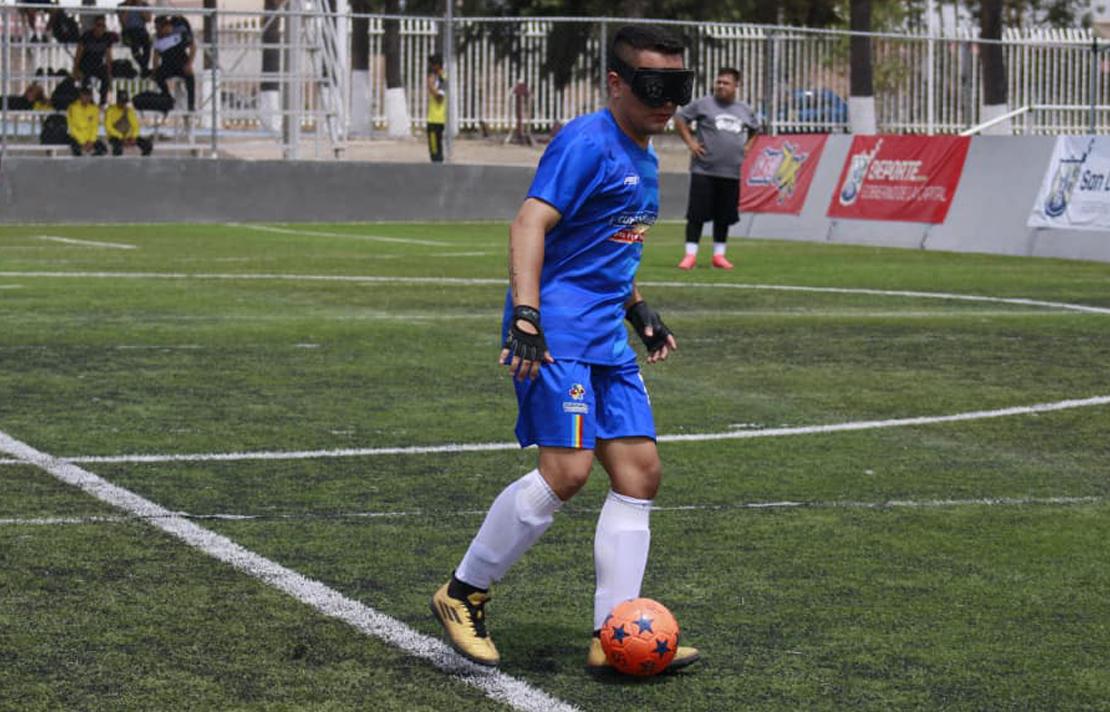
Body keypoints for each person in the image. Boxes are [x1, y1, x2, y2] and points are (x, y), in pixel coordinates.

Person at [429, 24, 701, 673]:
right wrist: (526, 315)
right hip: (556, 336)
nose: (666, 100)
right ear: (616, 81)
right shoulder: (587, 142)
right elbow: (531, 222)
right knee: (568, 472)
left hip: (605, 335)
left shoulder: (643, 152)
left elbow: (606, 244)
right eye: (652, 85)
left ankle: (614, 636)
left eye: (677, 87)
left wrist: (638, 310)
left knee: (639, 474)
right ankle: (463, 593)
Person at [674, 67, 762, 271]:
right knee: (696, 214)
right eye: (719, 82)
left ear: (736, 86)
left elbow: (756, 129)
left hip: (730, 172)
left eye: (726, 83)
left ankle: (719, 255)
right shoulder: (704, 104)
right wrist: (691, 143)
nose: (721, 86)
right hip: (704, 170)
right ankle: (690, 255)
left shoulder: (744, 110)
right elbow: (680, 119)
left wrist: (748, 146)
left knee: (724, 216)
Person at [152, 14, 196, 112]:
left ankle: (191, 105)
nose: (157, 31)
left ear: (166, 27)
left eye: (159, 29)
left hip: (181, 63)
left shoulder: (179, 32)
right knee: (158, 75)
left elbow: (193, 47)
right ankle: (168, 98)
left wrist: (189, 63)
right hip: (167, 64)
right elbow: (156, 56)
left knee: (190, 76)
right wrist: (154, 70)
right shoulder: (157, 39)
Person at [73, 15, 116, 106]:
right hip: (85, 64)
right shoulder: (86, 36)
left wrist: (110, 75)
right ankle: (88, 102)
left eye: (103, 26)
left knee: (105, 76)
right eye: (99, 25)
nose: (101, 28)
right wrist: (75, 70)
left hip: (98, 65)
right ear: (94, 26)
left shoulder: (106, 37)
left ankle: (102, 102)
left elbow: (108, 57)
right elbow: (78, 54)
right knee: (86, 81)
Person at [105, 90, 152, 156]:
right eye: (122, 102)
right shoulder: (110, 110)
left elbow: (136, 126)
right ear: (117, 101)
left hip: (129, 136)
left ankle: (143, 162)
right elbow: (108, 127)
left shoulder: (129, 111)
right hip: (115, 136)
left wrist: (133, 137)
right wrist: (121, 137)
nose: (123, 104)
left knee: (147, 145)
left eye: (125, 102)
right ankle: (116, 164)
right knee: (117, 148)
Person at [67, 84, 106, 156]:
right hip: (77, 137)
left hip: (90, 138)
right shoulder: (73, 108)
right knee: (76, 150)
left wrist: (91, 141)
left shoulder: (94, 109)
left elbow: (95, 126)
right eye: (84, 95)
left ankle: (92, 165)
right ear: (80, 95)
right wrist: (83, 142)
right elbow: (73, 127)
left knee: (103, 149)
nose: (87, 98)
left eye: (89, 95)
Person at [117, 0, 153, 77]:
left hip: (141, 30)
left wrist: (139, 6)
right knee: (135, 46)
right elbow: (123, 21)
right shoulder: (122, 5)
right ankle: (144, 68)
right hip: (128, 31)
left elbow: (148, 19)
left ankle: (144, 69)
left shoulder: (144, 5)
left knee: (147, 45)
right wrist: (128, 6)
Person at [426, 54, 446, 163]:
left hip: (436, 119)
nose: (431, 67)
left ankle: (437, 171)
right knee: (436, 149)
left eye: (432, 65)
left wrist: (431, 87)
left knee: (435, 150)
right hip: (434, 118)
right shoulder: (437, 78)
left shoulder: (443, 79)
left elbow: (440, 98)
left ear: (437, 65)